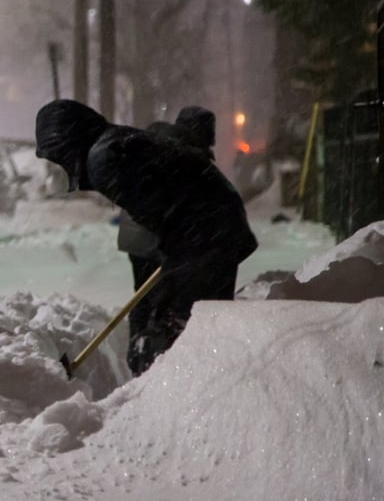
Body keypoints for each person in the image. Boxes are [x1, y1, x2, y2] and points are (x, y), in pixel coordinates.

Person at [35, 99, 256, 373]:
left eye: (58, 155)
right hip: (212, 227)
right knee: (192, 317)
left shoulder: (104, 157)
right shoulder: (113, 142)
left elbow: (159, 212)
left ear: (67, 140)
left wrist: (175, 260)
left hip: (206, 233)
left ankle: (181, 389)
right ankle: (171, 382)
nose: (61, 164)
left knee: (185, 322)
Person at [116, 106, 218, 374]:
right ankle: (154, 363)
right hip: (158, 237)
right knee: (167, 302)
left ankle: (138, 354)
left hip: (134, 235)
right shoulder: (189, 154)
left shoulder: (155, 143)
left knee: (143, 297)